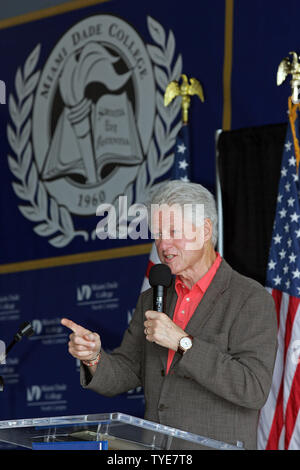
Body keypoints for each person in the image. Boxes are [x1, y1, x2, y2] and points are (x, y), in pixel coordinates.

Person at [61, 180, 278, 450]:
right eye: (159, 233)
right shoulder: (152, 298)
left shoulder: (249, 298)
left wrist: (183, 343)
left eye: (173, 231)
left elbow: (253, 388)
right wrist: (93, 356)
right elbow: (127, 370)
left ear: (205, 230)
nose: (164, 245)